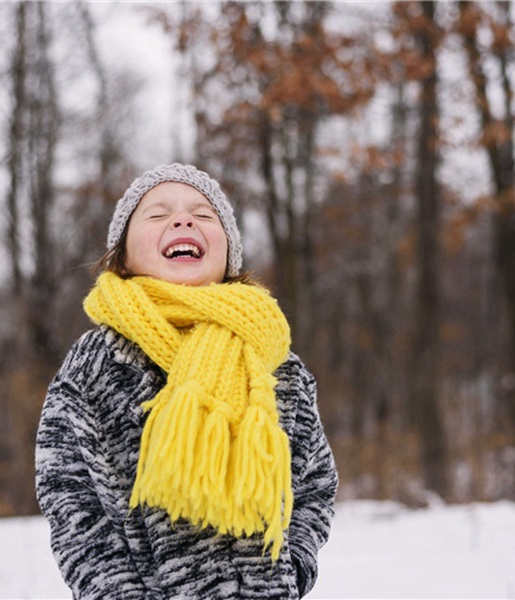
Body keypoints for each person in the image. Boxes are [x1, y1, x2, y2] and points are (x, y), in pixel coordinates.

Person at [35, 163, 338, 600]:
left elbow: (315, 483)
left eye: (204, 214)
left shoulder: (274, 361)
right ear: (121, 258)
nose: (183, 220)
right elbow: (68, 493)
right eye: (157, 215)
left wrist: (295, 568)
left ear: (228, 252)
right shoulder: (98, 362)